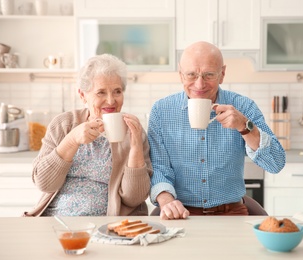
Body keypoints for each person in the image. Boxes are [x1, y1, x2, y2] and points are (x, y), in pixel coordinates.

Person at [148, 41, 285, 220]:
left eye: (209, 75)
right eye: (191, 75)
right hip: (181, 214)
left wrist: (245, 127)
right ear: (181, 75)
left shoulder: (244, 107)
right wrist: (167, 201)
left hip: (232, 213)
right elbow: (159, 168)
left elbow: (276, 163)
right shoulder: (161, 111)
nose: (199, 84)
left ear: (222, 74)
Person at [23, 54, 152, 217]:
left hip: (107, 225)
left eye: (117, 91)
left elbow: (134, 199)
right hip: (56, 219)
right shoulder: (63, 124)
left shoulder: (133, 131)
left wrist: (135, 149)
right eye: (101, 93)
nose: (111, 101)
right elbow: (44, 183)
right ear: (83, 95)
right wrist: (71, 140)